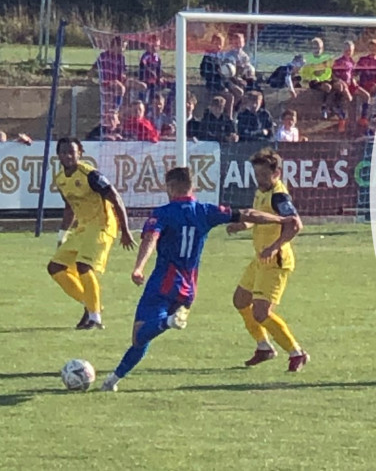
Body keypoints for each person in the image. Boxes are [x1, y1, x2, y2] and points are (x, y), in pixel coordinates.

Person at [99, 167, 299, 392]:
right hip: (188, 290)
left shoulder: (163, 213)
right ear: (192, 187)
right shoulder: (205, 211)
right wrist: (281, 218)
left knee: (139, 334)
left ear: (171, 188)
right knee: (144, 336)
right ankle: (112, 380)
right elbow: (248, 213)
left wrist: (139, 267)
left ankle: (168, 322)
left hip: (163, 284)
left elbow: (150, 238)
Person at [229, 149, 310, 372]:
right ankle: (264, 347)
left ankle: (297, 352)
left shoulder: (279, 196)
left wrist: (274, 247)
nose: (260, 180)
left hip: (276, 262)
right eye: (257, 175)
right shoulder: (262, 192)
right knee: (240, 300)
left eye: (264, 176)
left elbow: (295, 224)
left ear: (277, 173)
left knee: (261, 313)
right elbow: (259, 217)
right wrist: (242, 225)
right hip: (260, 259)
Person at [46, 138, 135, 329]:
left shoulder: (91, 175)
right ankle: (91, 304)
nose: (68, 156)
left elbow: (115, 198)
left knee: (83, 266)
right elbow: (70, 208)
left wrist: (125, 230)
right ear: (58, 155)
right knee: (55, 267)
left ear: (80, 153)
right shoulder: (60, 179)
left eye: (72, 152)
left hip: (103, 225)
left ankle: (95, 318)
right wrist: (63, 234)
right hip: (84, 228)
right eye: (63, 152)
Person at [299, 38, 334, 119]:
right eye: (315, 48)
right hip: (313, 81)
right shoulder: (307, 59)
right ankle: (324, 108)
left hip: (324, 80)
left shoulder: (326, 59)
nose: (317, 50)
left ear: (322, 48)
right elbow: (303, 74)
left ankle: (335, 108)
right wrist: (311, 78)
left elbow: (329, 72)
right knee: (327, 87)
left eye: (319, 48)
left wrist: (324, 78)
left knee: (338, 86)